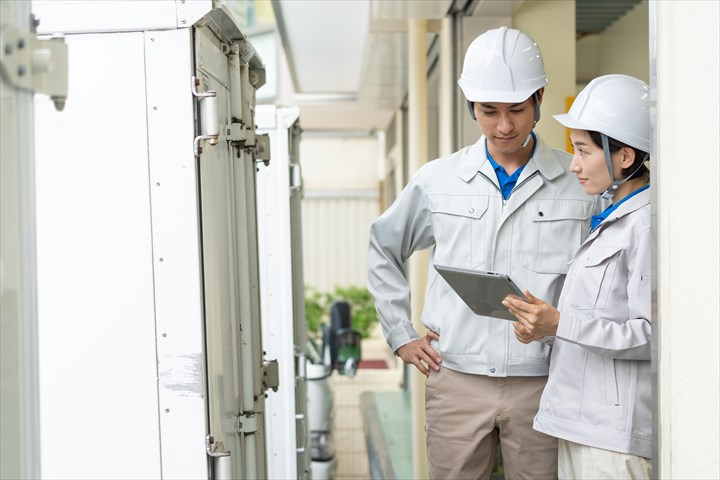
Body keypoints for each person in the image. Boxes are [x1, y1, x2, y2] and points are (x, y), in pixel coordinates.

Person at [367, 26, 594, 479]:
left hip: (545, 383)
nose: (504, 126)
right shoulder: (438, 180)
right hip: (457, 382)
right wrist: (400, 334)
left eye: (516, 110)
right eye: (489, 111)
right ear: (470, 104)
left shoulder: (580, 187)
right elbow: (383, 247)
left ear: (540, 99)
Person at [503, 74, 653, 479]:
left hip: (613, 438)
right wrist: (546, 328)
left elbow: (651, 335)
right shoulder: (608, 219)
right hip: (576, 422)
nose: (573, 165)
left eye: (583, 151)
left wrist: (560, 322)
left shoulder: (646, 227)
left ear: (624, 156)